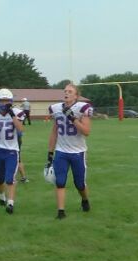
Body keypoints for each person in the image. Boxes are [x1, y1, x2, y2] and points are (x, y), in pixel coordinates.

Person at [47, 83, 93, 219]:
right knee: (60, 181)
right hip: (61, 151)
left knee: (79, 184)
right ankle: (61, 211)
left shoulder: (82, 108)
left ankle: (84, 199)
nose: (66, 93)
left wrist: (72, 118)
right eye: (65, 91)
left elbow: (86, 132)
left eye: (70, 91)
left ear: (76, 96)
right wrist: (50, 153)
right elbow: (54, 132)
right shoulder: (56, 109)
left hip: (78, 152)